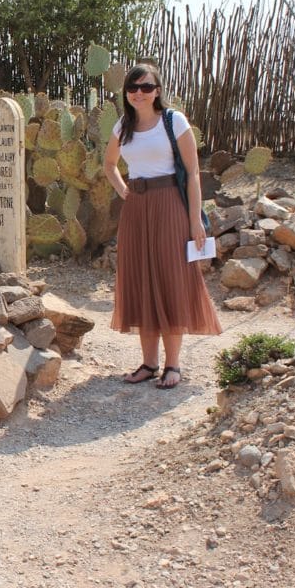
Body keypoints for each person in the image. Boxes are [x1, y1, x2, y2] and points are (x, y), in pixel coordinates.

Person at [102, 63, 221, 389]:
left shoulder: (174, 121)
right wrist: (123, 190)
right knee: (141, 280)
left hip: (170, 204)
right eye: (132, 87)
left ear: (157, 90)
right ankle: (148, 364)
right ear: (126, 92)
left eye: (146, 87)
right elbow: (109, 164)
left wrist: (195, 220)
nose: (139, 93)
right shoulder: (123, 126)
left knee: (171, 280)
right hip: (136, 209)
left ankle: (173, 366)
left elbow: (193, 172)